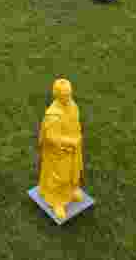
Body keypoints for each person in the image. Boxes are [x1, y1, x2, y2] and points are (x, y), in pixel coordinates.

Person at [37, 79, 85, 221]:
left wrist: (77, 139)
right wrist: (70, 141)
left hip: (74, 147)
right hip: (58, 152)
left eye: (69, 94)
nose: (68, 97)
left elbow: (76, 123)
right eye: (65, 95)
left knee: (74, 171)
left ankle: (71, 191)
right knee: (60, 176)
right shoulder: (53, 115)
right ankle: (57, 201)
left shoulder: (73, 106)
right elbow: (51, 138)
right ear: (57, 95)